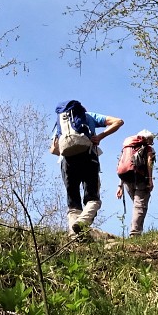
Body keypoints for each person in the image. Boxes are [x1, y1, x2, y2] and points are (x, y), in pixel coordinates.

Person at [50, 100, 123, 234]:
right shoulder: (88, 116)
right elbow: (118, 121)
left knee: (73, 204)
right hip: (88, 158)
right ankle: (82, 222)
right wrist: (101, 136)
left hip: (67, 162)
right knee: (93, 199)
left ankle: (74, 237)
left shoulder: (60, 124)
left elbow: (53, 149)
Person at [115, 130, 157, 236]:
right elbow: (149, 163)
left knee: (137, 205)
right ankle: (135, 233)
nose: (152, 142)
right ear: (147, 139)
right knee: (140, 206)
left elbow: (122, 164)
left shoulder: (127, 149)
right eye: (151, 140)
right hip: (141, 179)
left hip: (127, 180)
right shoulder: (148, 148)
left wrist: (120, 186)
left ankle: (135, 231)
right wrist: (150, 180)